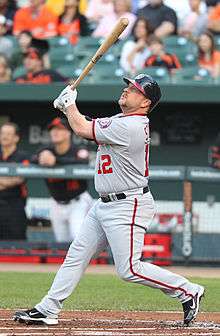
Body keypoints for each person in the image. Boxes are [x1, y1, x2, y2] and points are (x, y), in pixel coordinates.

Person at [14, 73, 204, 327]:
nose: (127, 90)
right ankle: (48, 308)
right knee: (76, 255)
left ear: (146, 103)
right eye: (128, 86)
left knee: (129, 270)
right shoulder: (122, 120)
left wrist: (69, 105)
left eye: (135, 90)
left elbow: (82, 128)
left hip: (128, 204)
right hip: (104, 204)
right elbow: (88, 123)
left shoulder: (131, 126)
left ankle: (188, 291)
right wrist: (69, 109)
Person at [32, 117, 93, 242]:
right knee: (61, 242)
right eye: (53, 129)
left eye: (59, 129)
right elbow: (32, 158)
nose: (55, 132)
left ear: (68, 133)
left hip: (78, 202)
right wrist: (41, 157)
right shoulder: (46, 150)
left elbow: (83, 161)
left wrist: (56, 161)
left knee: (78, 239)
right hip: (57, 203)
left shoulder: (78, 150)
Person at [0, 122, 28, 240]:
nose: (4, 136)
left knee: (16, 245)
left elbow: (18, 179)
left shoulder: (23, 156)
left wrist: (8, 180)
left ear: (16, 138)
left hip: (14, 206)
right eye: (2, 133)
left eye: (8, 134)